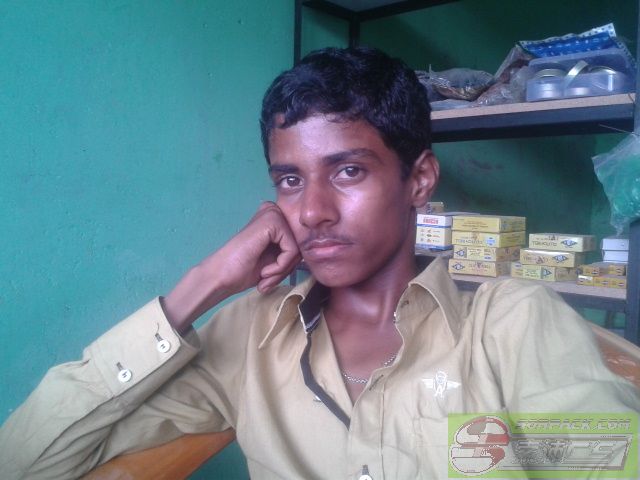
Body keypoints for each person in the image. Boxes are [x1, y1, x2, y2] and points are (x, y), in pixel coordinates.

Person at [1, 46, 639, 480]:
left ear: (419, 179)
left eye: (348, 171)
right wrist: (200, 287)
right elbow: (25, 461)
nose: (312, 212)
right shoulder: (248, 338)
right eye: (290, 180)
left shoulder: (509, 327)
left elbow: (606, 461)